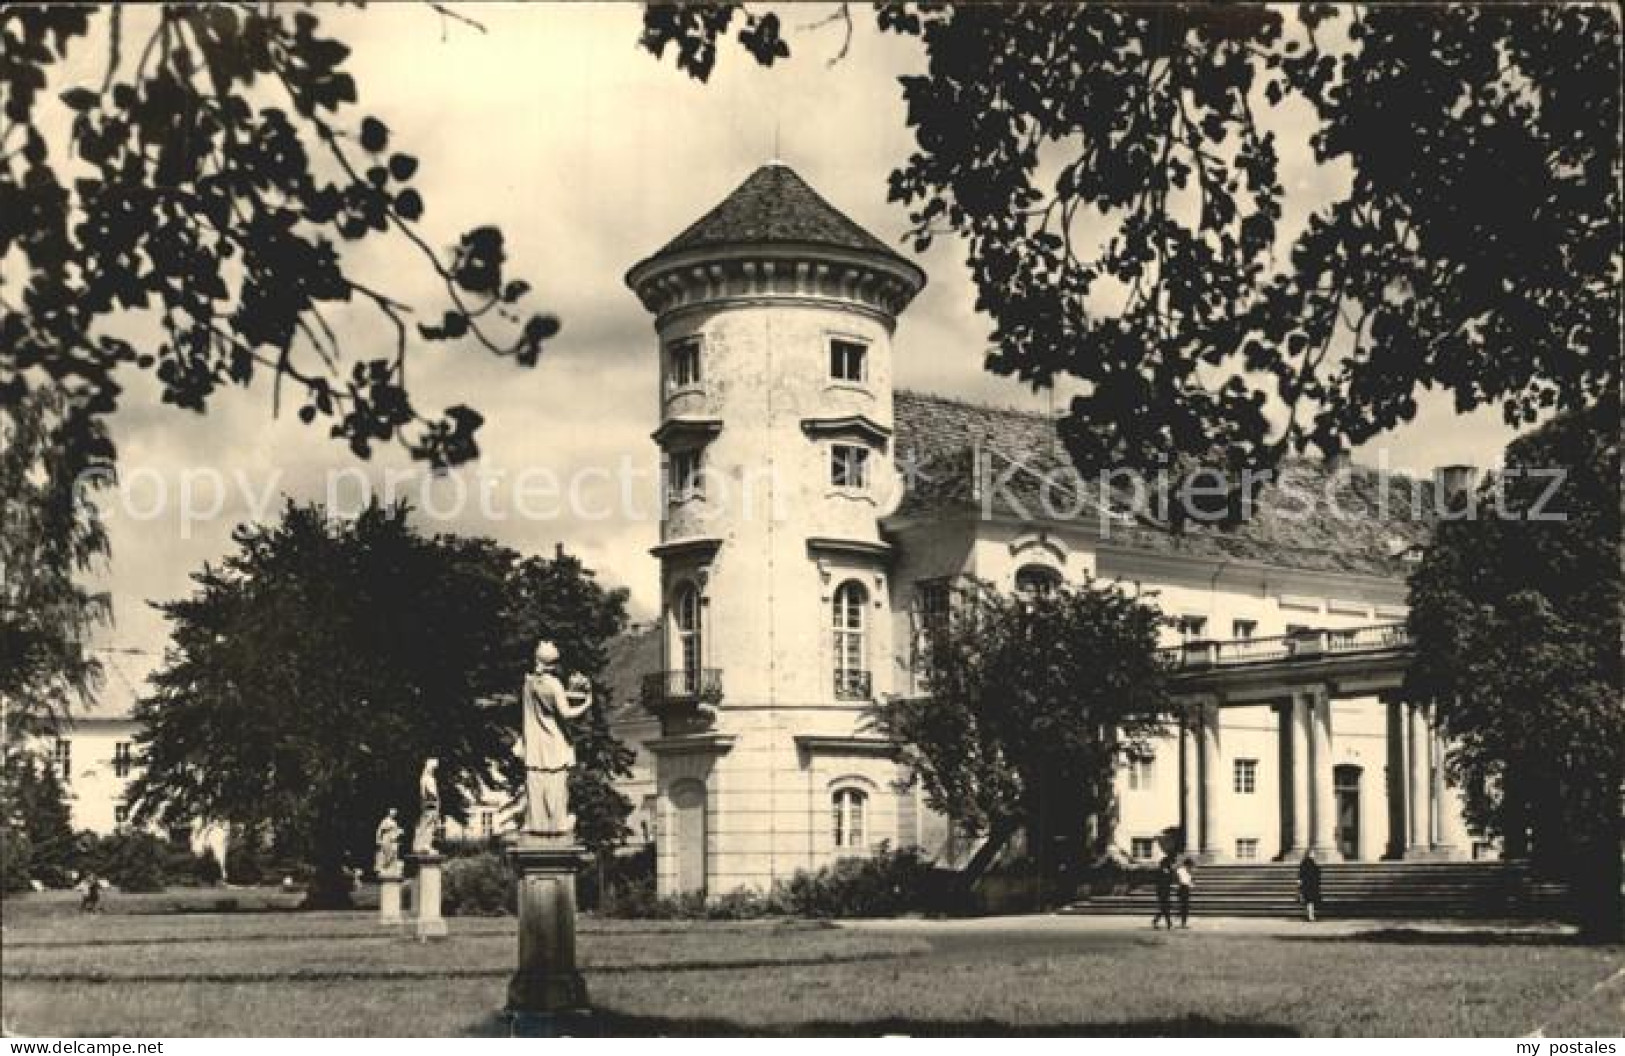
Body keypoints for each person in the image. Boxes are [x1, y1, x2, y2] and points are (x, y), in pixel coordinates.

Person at [520, 640, 593, 837]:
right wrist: (586, 703)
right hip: (554, 742)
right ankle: (558, 823)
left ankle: (536, 823)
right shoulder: (554, 685)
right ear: (554, 663)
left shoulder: (528, 683)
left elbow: (547, 697)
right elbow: (566, 713)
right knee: (557, 785)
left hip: (534, 743)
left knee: (536, 784)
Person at [1152, 855, 1176, 930]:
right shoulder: (1159, 871)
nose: (1171, 865)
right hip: (1161, 891)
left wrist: (1172, 886)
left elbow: (1171, 880)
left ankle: (1156, 921)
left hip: (1167, 891)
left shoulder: (1170, 871)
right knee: (1165, 907)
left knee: (1164, 908)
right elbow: (1157, 881)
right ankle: (1169, 923)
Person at [1298, 852, 1323, 922]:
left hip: (1309, 885)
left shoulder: (1307, 863)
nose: (1314, 855)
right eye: (1312, 854)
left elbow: (1301, 874)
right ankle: (1310, 916)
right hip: (1310, 886)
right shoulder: (1309, 863)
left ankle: (1310, 915)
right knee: (1310, 902)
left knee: (1310, 902)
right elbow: (1316, 873)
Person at [1175, 856, 1195, 928]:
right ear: (1187, 864)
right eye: (1190, 865)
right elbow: (1180, 880)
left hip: (1186, 889)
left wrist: (1191, 885)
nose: (1190, 867)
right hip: (1182, 889)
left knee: (1185, 907)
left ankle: (1183, 923)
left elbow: (1190, 881)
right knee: (1183, 906)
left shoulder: (1188, 872)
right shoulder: (1180, 870)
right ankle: (1182, 922)